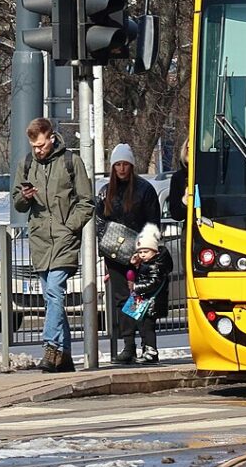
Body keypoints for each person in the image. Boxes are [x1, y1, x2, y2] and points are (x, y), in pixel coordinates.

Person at [11, 118, 93, 373]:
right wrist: (24, 198)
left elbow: (87, 201)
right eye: (34, 146)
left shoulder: (71, 162)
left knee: (55, 292)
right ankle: (64, 356)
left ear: (52, 137)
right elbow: (16, 201)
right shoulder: (26, 164)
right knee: (51, 298)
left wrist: (70, 226)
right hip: (40, 240)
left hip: (64, 238)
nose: (37, 150)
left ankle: (49, 347)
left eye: (41, 145)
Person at [98, 143, 161, 364]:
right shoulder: (106, 191)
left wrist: (145, 251)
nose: (122, 169)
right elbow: (100, 222)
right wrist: (105, 249)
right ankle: (128, 345)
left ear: (132, 166)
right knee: (121, 299)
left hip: (140, 253)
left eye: (125, 164)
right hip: (115, 255)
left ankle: (148, 345)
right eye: (118, 165)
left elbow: (153, 223)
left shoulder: (144, 190)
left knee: (141, 296)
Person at [127, 224, 173, 364]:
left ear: (154, 251)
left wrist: (136, 287)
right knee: (141, 325)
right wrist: (134, 265)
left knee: (148, 326)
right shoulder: (145, 264)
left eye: (145, 252)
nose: (142, 255)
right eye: (140, 252)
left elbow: (153, 283)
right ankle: (146, 349)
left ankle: (151, 351)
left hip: (151, 302)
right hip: (143, 301)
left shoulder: (156, 266)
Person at [167, 148, 188, 226]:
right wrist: (184, 202)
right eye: (188, 149)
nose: (192, 152)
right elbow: (175, 214)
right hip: (191, 229)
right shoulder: (178, 177)